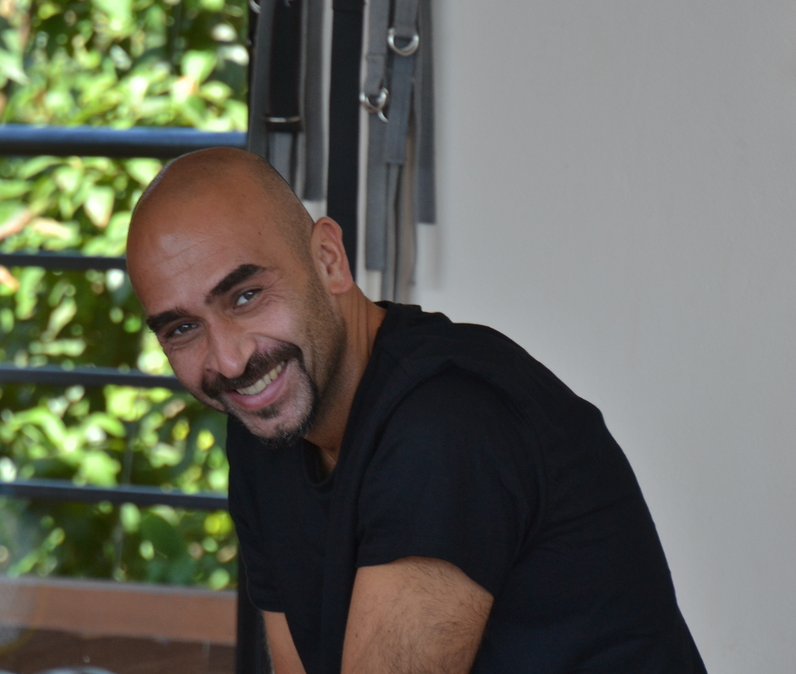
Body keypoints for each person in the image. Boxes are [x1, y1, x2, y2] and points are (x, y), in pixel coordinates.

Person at [125, 148, 706, 674]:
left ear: (329, 260)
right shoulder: (268, 430)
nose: (229, 361)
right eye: (182, 329)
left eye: (246, 296)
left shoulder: (445, 422)